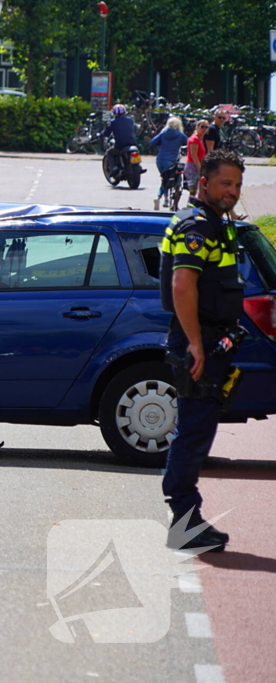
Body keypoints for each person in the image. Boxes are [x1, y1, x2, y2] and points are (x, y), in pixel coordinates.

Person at [158, 148, 246, 552]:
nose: (233, 191)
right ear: (204, 182)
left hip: (209, 339)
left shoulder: (213, 222)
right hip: (200, 341)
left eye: (238, 185)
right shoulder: (198, 225)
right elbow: (182, 285)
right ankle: (184, 521)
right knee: (192, 431)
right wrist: (196, 344)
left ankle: (187, 519)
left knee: (198, 427)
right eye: (226, 183)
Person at [150, 116, 188, 210]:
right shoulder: (179, 135)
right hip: (171, 161)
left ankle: (165, 199)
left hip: (160, 160)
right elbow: (188, 142)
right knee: (168, 180)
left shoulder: (163, 133)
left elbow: (153, 142)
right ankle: (158, 197)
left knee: (165, 178)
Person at [101, 104, 137, 177]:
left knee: (109, 153)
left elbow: (106, 132)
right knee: (136, 152)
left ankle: (114, 168)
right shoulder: (130, 120)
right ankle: (138, 166)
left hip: (120, 145)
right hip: (132, 143)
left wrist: (101, 135)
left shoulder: (113, 122)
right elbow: (135, 129)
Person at [183, 119, 208, 195]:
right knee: (193, 191)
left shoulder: (200, 139)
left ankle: (194, 205)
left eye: (206, 127)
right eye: (202, 126)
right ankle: (190, 206)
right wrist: (200, 169)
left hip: (198, 166)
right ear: (197, 127)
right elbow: (194, 156)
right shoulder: (194, 139)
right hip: (192, 167)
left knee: (197, 190)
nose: (204, 129)